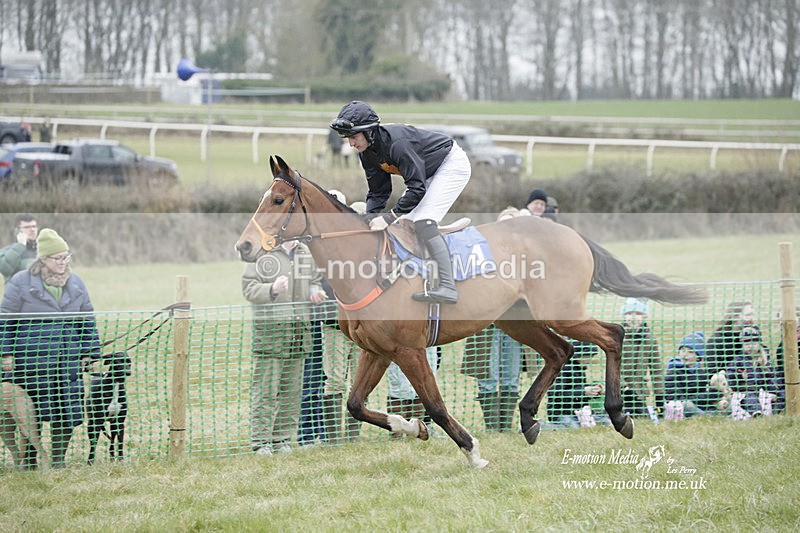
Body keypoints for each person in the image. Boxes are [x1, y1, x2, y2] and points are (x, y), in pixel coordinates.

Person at [330, 100, 471, 305]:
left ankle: (448, 286)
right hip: (427, 172)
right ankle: (421, 277)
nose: (350, 143)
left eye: (353, 137)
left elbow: (417, 189)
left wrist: (388, 218)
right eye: (348, 138)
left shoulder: (398, 145)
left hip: (450, 164)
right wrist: (369, 218)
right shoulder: (367, 153)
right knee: (404, 225)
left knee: (423, 221)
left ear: (369, 132)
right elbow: (379, 192)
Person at [0, 228, 102, 468]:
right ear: (43, 259)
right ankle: (28, 461)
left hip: (67, 364)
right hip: (31, 363)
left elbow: (87, 320)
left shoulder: (76, 283)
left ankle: (58, 460)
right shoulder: (21, 282)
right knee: (30, 413)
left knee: (65, 413)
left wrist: (89, 352)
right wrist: (5, 353)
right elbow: (5, 321)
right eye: (58, 258)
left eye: (67, 257)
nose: (64, 263)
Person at [242, 239, 326, 456]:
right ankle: (261, 442)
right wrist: (271, 289)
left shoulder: (305, 251)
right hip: (271, 334)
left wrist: (314, 293)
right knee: (266, 392)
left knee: (292, 392)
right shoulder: (261, 252)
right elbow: (249, 289)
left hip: (299, 334)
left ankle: (282, 440)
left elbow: (315, 281)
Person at [619, 298, 665, 418]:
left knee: (643, 419)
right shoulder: (617, 337)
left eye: (638, 314)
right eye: (629, 313)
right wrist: (624, 387)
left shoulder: (650, 340)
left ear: (644, 316)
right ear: (624, 316)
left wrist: (659, 396)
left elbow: (656, 369)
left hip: (639, 393)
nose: (633, 318)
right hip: (619, 392)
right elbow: (611, 366)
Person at [726, 325, 785, 417]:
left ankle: (777, 412)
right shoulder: (738, 361)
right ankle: (756, 413)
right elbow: (731, 378)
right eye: (746, 344)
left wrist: (774, 391)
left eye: (753, 343)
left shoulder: (765, 360)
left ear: (759, 343)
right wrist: (740, 376)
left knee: (782, 394)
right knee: (750, 397)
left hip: (764, 391)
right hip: (746, 391)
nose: (750, 346)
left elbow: (771, 377)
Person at [547, 341, 604, 428]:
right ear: (577, 355)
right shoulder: (563, 369)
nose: (588, 360)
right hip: (561, 413)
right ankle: (541, 426)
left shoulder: (580, 369)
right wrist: (583, 391)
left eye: (590, 357)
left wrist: (594, 390)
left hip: (578, 412)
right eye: (586, 356)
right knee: (573, 427)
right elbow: (558, 394)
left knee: (605, 422)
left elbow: (579, 390)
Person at [663, 332, 721, 418]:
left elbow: (705, 392)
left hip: (697, 402)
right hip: (680, 404)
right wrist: (699, 398)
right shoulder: (673, 371)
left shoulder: (701, 373)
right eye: (683, 350)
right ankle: (703, 415)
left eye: (690, 352)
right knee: (687, 405)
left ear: (698, 357)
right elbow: (674, 395)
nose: (685, 354)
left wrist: (716, 392)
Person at [386, 346, 439, 438]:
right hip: (398, 343)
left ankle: (417, 430)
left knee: (424, 383)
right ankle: (396, 432)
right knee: (400, 386)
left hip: (427, 344)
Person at [706, 300, 758, 375]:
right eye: (748, 315)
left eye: (753, 315)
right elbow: (711, 370)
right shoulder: (717, 340)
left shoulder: (754, 334)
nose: (752, 319)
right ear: (735, 317)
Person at [0, 214, 39, 283]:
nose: (32, 230)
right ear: (18, 230)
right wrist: (20, 246)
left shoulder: (42, 250)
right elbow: (4, 269)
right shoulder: (6, 251)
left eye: (34, 226)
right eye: (27, 227)